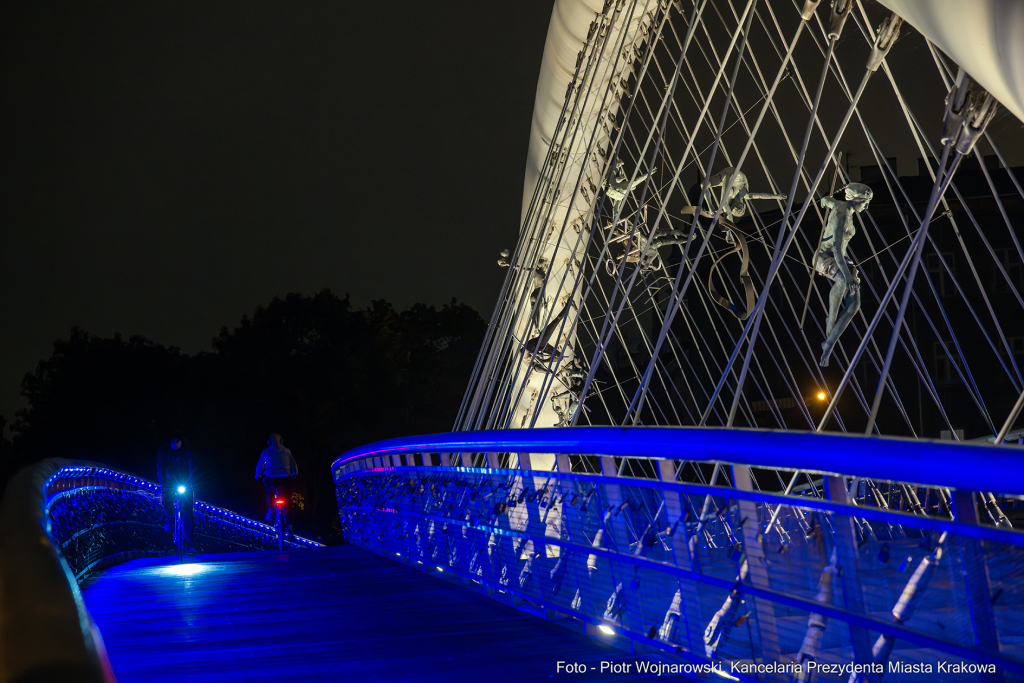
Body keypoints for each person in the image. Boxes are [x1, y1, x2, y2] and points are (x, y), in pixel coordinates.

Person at [815, 183, 873, 366]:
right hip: (825, 257)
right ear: (857, 200)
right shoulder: (842, 217)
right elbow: (837, 251)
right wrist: (848, 277)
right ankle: (830, 326)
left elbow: (829, 201)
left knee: (854, 305)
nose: (866, 207)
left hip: (842, 259)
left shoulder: (841, 206)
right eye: (865, 203)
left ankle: (829, 339)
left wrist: (824, 200)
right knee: (842, 281)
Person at [156, 429, 196, 556]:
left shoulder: (188, 452)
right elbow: (160, 469)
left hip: (184, 481)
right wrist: (162, 486)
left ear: (182, 441)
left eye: (177, 441)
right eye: (172, 441)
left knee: (187, 511)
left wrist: (191, 483)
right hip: (169, 481)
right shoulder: (163, 452)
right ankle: (169, 516)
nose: (175, 443)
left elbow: (192, 469)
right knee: (166, 499)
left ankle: (190, 544)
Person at [254, 433, 298, 522]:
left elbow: (260, 466)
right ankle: (289, 529)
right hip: (285, 479)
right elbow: (293, 464)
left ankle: (270, 511)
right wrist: (295, 472)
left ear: (269, 442)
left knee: (269, 489)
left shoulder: (265, 452)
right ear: (281, 441)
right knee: (288, 501)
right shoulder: (287, 451)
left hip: (271, 479)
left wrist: (257, 475)